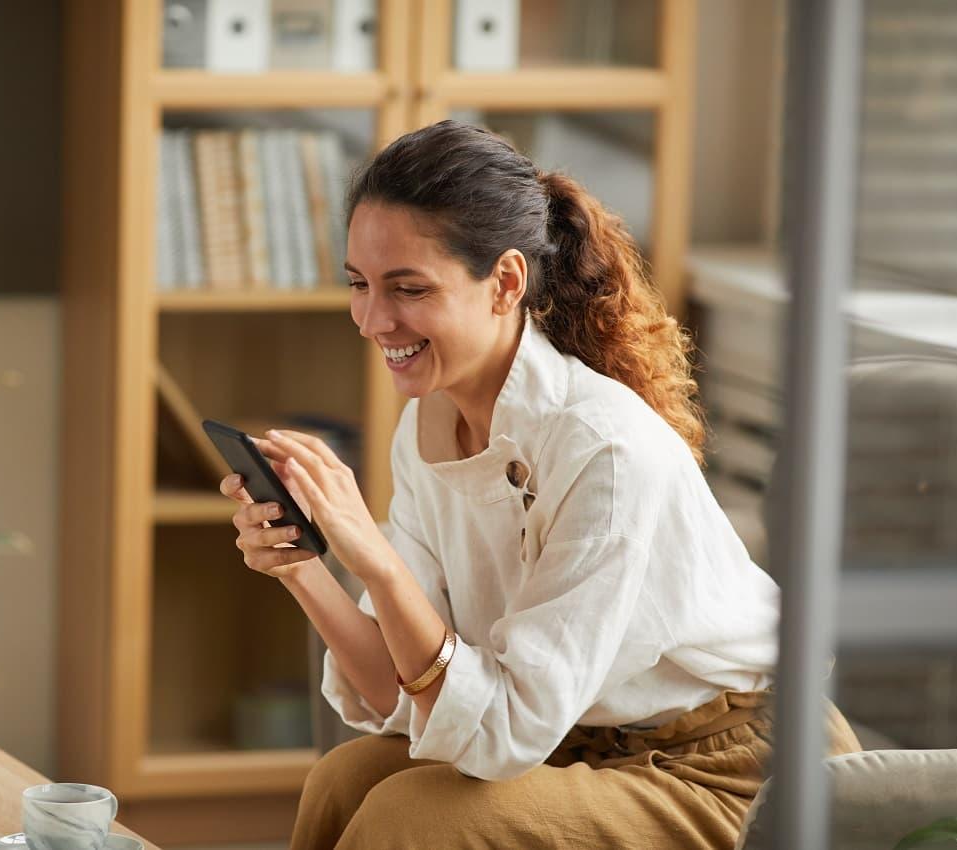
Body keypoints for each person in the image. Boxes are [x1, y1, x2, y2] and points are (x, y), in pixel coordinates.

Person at [218, 119, 860, 849]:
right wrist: (308, 569)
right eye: (359, 285)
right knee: (343, 779)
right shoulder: (429, 427)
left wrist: (371, 553)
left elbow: (503, 729)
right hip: (581, 735)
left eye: (408, 288)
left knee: (413, 817)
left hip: (730, 768)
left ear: (506, 283)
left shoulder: (604, 450)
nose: (372, 320)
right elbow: (399, 690)